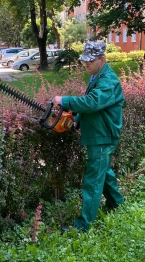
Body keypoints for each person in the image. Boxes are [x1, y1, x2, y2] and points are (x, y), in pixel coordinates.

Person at [53, 41, 125, 231]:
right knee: (104, 170)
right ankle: (117, 204)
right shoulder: (96, 76)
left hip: (103, 135)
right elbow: (92, 107)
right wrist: (77, 118)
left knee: (93, 180)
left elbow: (92, 102)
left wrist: (65, 100)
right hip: (98, 133)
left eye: (90, 61)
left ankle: (83, 226)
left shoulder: (108, 81)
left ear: (102, 59)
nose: (85, 64)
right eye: (84, 60)